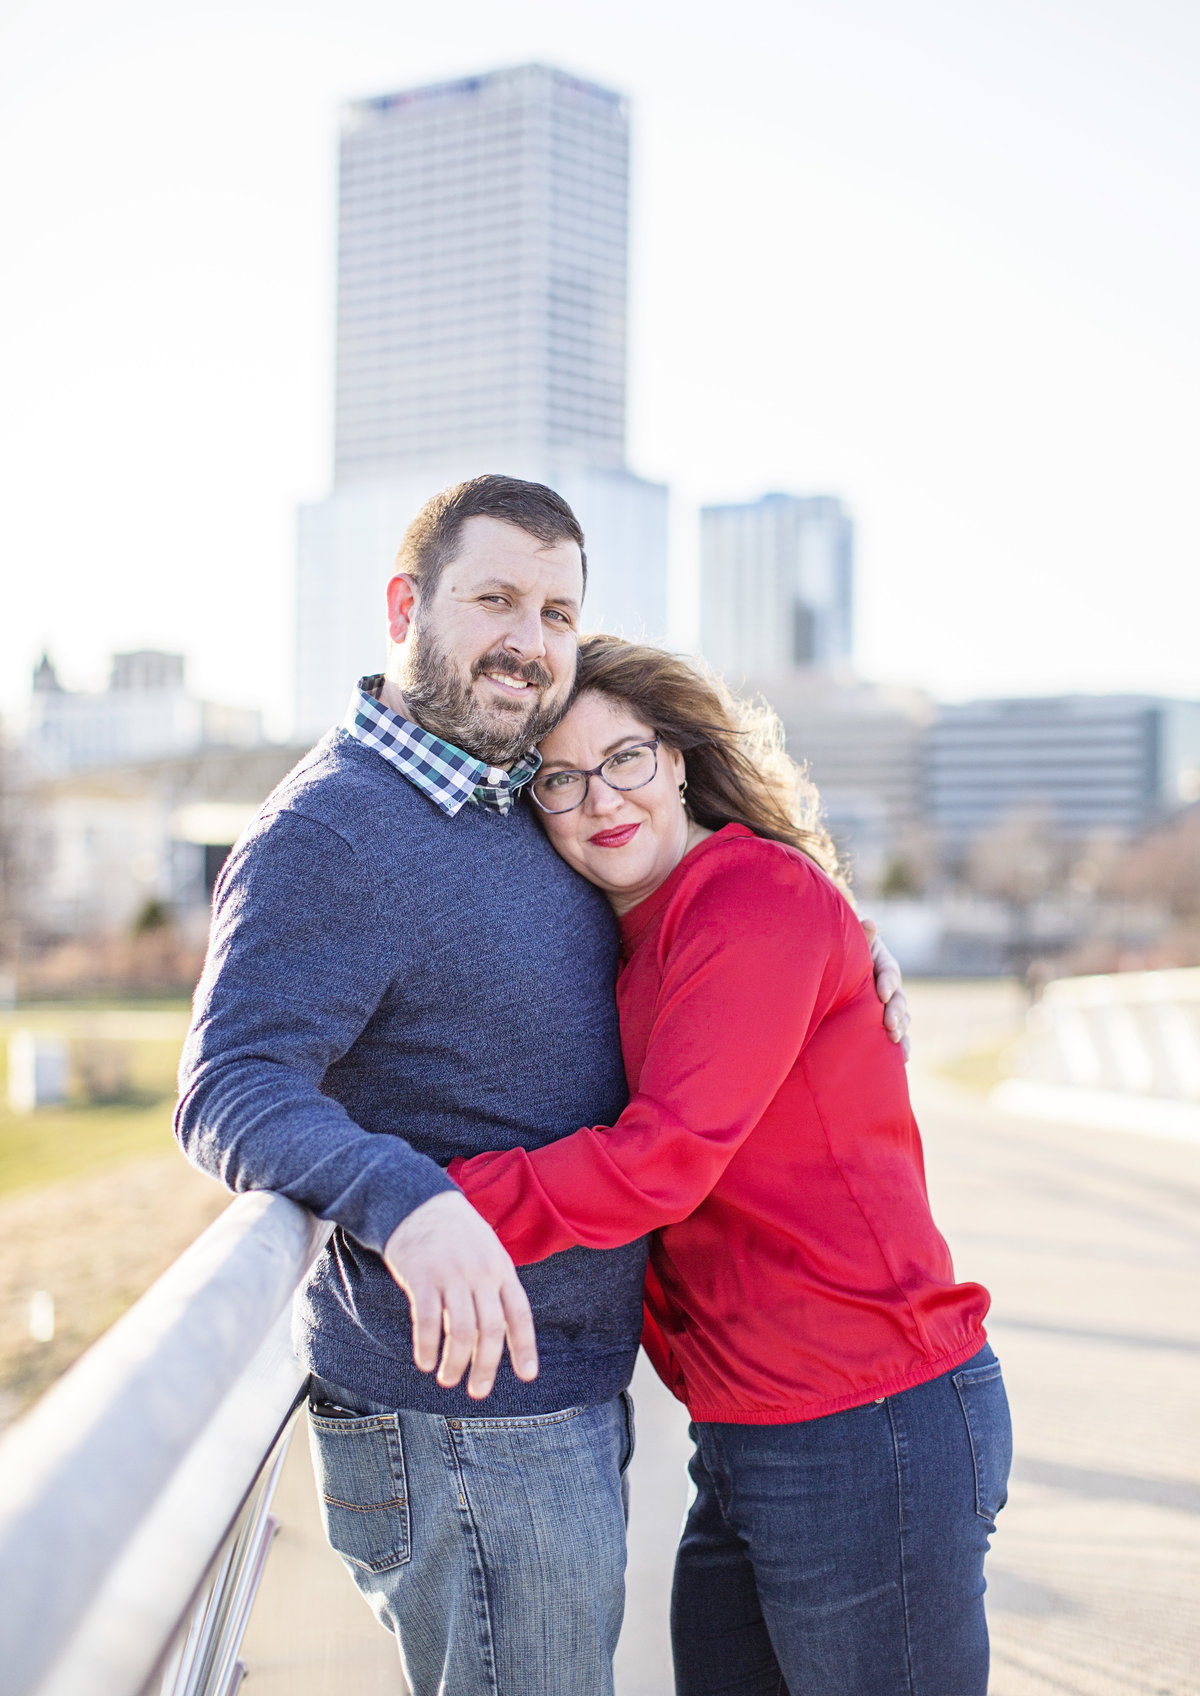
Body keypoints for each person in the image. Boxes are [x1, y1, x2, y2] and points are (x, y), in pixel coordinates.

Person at [174, 476, 909, 1696]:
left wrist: (837, 933)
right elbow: (231, 1082)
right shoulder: (332, 830)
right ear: (407, 605)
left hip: (553, 1390)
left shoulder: (521, 793)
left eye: (559, 612)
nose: (531, 640)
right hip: (461, 1413)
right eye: (497, 599)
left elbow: (677, 897)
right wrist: (407, 1199)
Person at [451, 634, 1011, 1696]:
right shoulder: (630, 928)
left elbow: (660, 1164)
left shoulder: (750, 897)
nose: (598, 800)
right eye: (558, 779)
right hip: (753, 1425)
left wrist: (421, 1203)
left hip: (868, 1419)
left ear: (678, 756)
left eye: (624, 759)